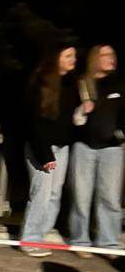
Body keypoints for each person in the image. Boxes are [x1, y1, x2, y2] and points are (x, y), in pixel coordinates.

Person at [20, 43, 89, 257]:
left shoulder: (71, 84)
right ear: (56, 57)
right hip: (42, 147)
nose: (73, 59)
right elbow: (34, 123)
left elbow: (71, 122)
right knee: (40, 193)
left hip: (62, 147)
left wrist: (82, 112)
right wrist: (44, 155)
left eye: (74, 55)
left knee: (54, 194)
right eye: (68, 55)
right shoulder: (40, 84)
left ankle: (42, 233)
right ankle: (30, 239)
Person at [69, 45, 124, 256]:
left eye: (112, 54)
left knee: (109, 197)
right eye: (105, 55)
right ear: (95, 59)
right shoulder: (82, 83)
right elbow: (71, 118)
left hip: (112, 149)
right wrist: (82, 110)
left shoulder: (119, 85)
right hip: (84, 147)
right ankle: (80, 240)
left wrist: (120, 134)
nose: (110, 58)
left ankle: (108, 242)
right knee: (81, 197)